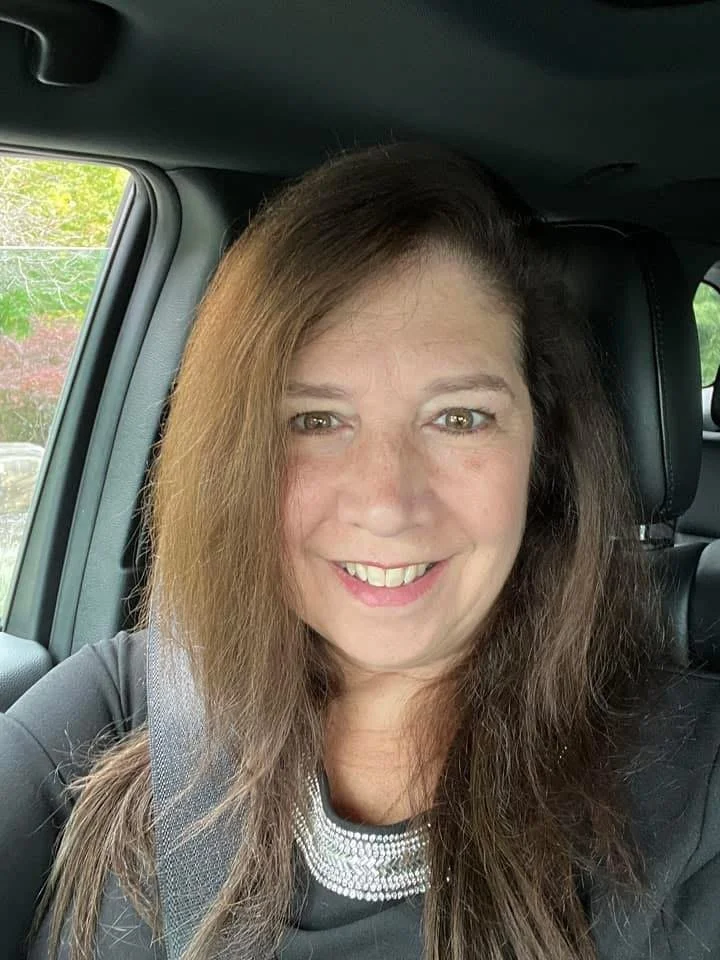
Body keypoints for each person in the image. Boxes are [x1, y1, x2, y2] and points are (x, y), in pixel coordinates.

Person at [2, 141, 719, 960]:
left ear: (542, 452)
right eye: (314, 421)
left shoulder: (692, 795)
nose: (386, 502)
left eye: (459, 418)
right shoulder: (119, 707)